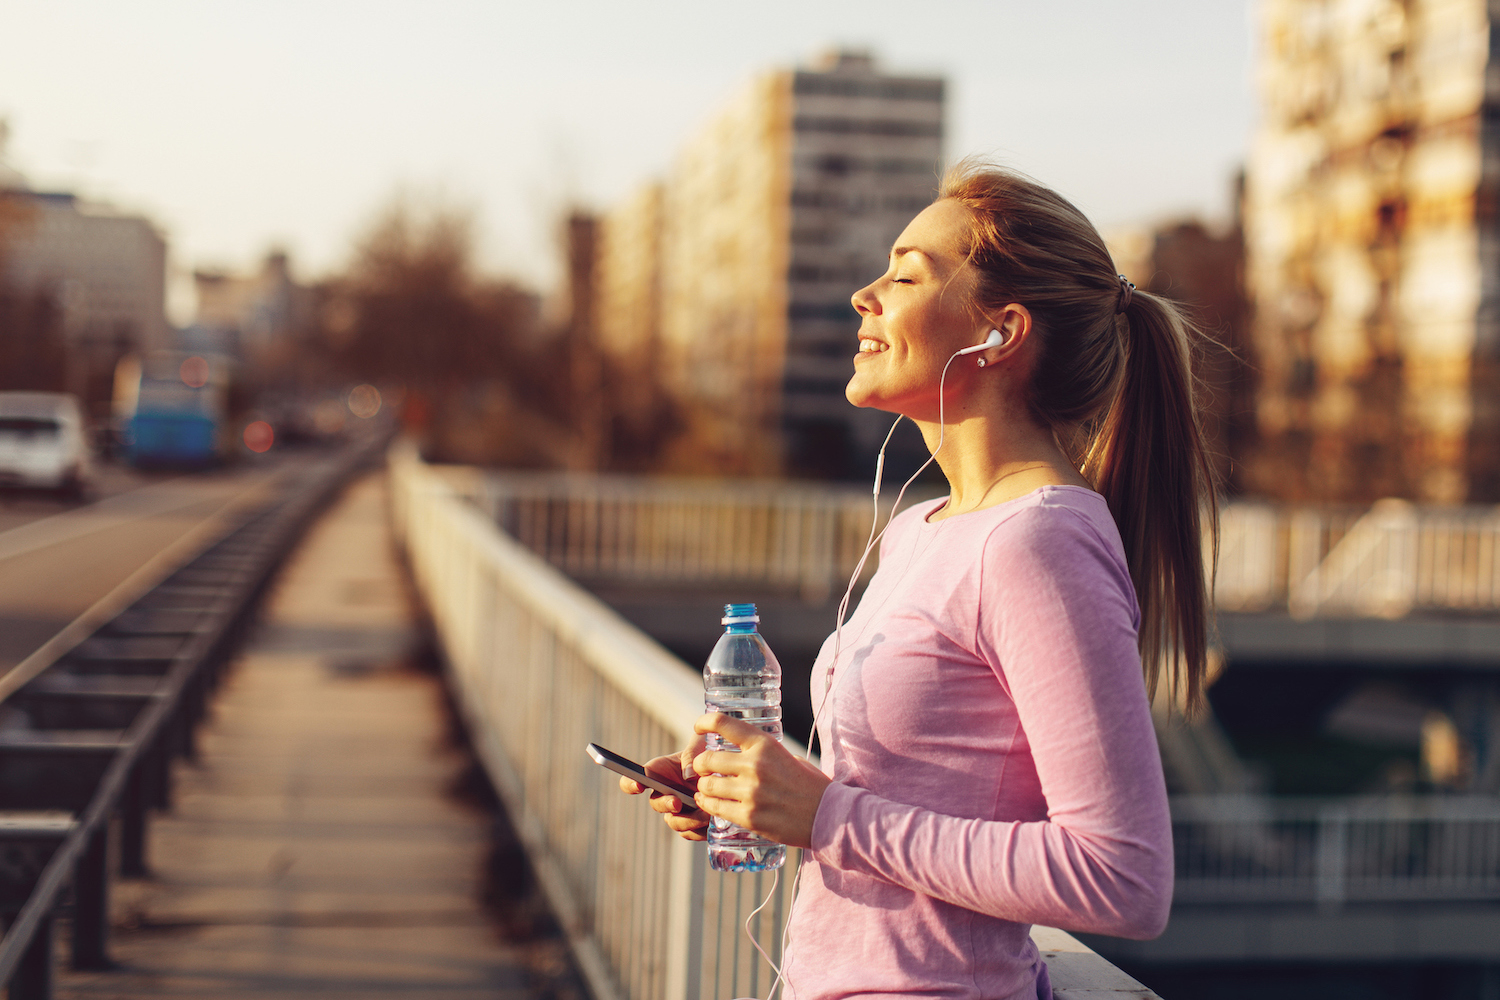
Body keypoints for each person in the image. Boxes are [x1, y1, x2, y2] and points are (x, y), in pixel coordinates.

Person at [621, 159, 1216, 1000]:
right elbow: (917, 797)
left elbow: (1121, 875)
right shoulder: (921, 530)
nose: (866, 295)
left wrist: (827, 817)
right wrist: (759, 794)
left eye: (905, 275)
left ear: (1000, 333)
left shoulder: (1039, 542)